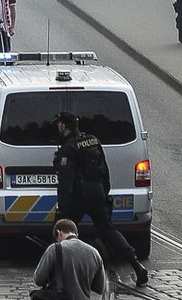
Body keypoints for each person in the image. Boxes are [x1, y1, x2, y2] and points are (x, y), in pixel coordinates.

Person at [52, 111, 147, 287]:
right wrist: (104, 193)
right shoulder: (92, 140)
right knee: (108, 230)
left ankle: (57, 277)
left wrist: (63, 208)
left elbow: (66, 181)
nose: (58, 126)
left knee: (63, 230)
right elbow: (104, 169)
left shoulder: (69, 148)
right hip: (97, 191)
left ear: (64, 126)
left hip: (80, 194)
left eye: (59, 124)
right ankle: (136, 265)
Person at [33, 217, 105, 300]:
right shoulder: (94, 253)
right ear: (76, 234)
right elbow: (100, 288)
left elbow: (38, 279)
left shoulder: (54, 249)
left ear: (59, 233)